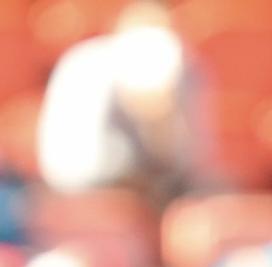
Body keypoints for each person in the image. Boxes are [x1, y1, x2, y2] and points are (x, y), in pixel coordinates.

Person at [37, 0, 209, 210]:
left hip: (67, 183)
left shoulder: (84, 53)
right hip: (98, 182)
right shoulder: (149, 46)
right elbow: (154, 112)